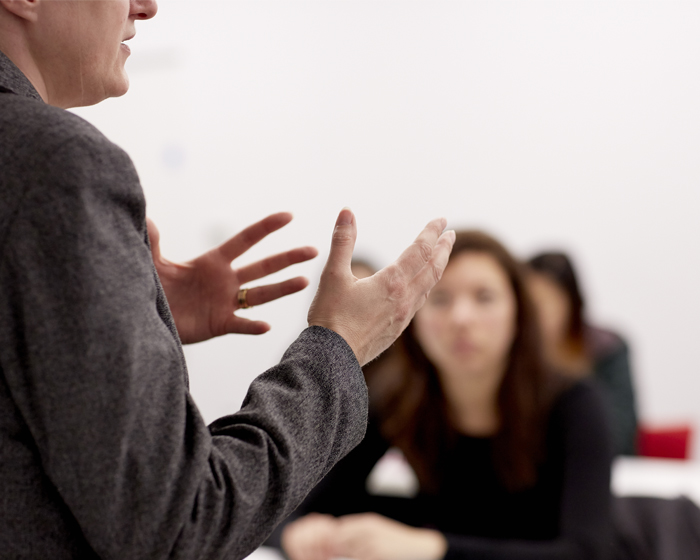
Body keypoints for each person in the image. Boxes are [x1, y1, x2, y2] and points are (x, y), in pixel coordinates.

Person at [0, 1, 455, 558]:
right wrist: (340, 347)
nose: (147, 5)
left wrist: (125, 308)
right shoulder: (56, 163)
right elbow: (181, 526)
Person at [277, 230, 614, 560]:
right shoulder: (400, 399)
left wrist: (433, 548)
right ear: (412, 320)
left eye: (484, 297)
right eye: (439, 299)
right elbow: (295, 505)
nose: (461, 319)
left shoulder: (574, 403)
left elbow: (585, 551)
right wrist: (301, 532)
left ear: (518, 314)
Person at [526, 251, 638, 456]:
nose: (536, 315)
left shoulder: (607, 349)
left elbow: (621, 435)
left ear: (572, 302)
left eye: (546, 303)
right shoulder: (516, 354)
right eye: (529, 305)